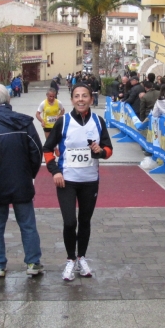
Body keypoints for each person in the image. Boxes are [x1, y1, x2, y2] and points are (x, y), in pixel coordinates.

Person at [43, 83, 113, 281]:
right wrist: (55, 171)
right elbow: (47, 149)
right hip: (67, 180)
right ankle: (70, 259)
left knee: (84, 221)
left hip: (90, 181)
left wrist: (101, 152)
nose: (81, 99)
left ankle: (82, 257)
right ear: (72, 100)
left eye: (85, 96)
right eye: (77, 96)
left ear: (91, 99)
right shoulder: (63, 121)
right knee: (69, 222)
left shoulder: (99, 121)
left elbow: (109, 150)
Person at [0, 84, 44, 277]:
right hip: (21, 181)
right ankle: (33, 263)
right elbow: (37, 151)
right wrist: (30, 174)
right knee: (27, 224)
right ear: (9, 100)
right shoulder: (23, 122)